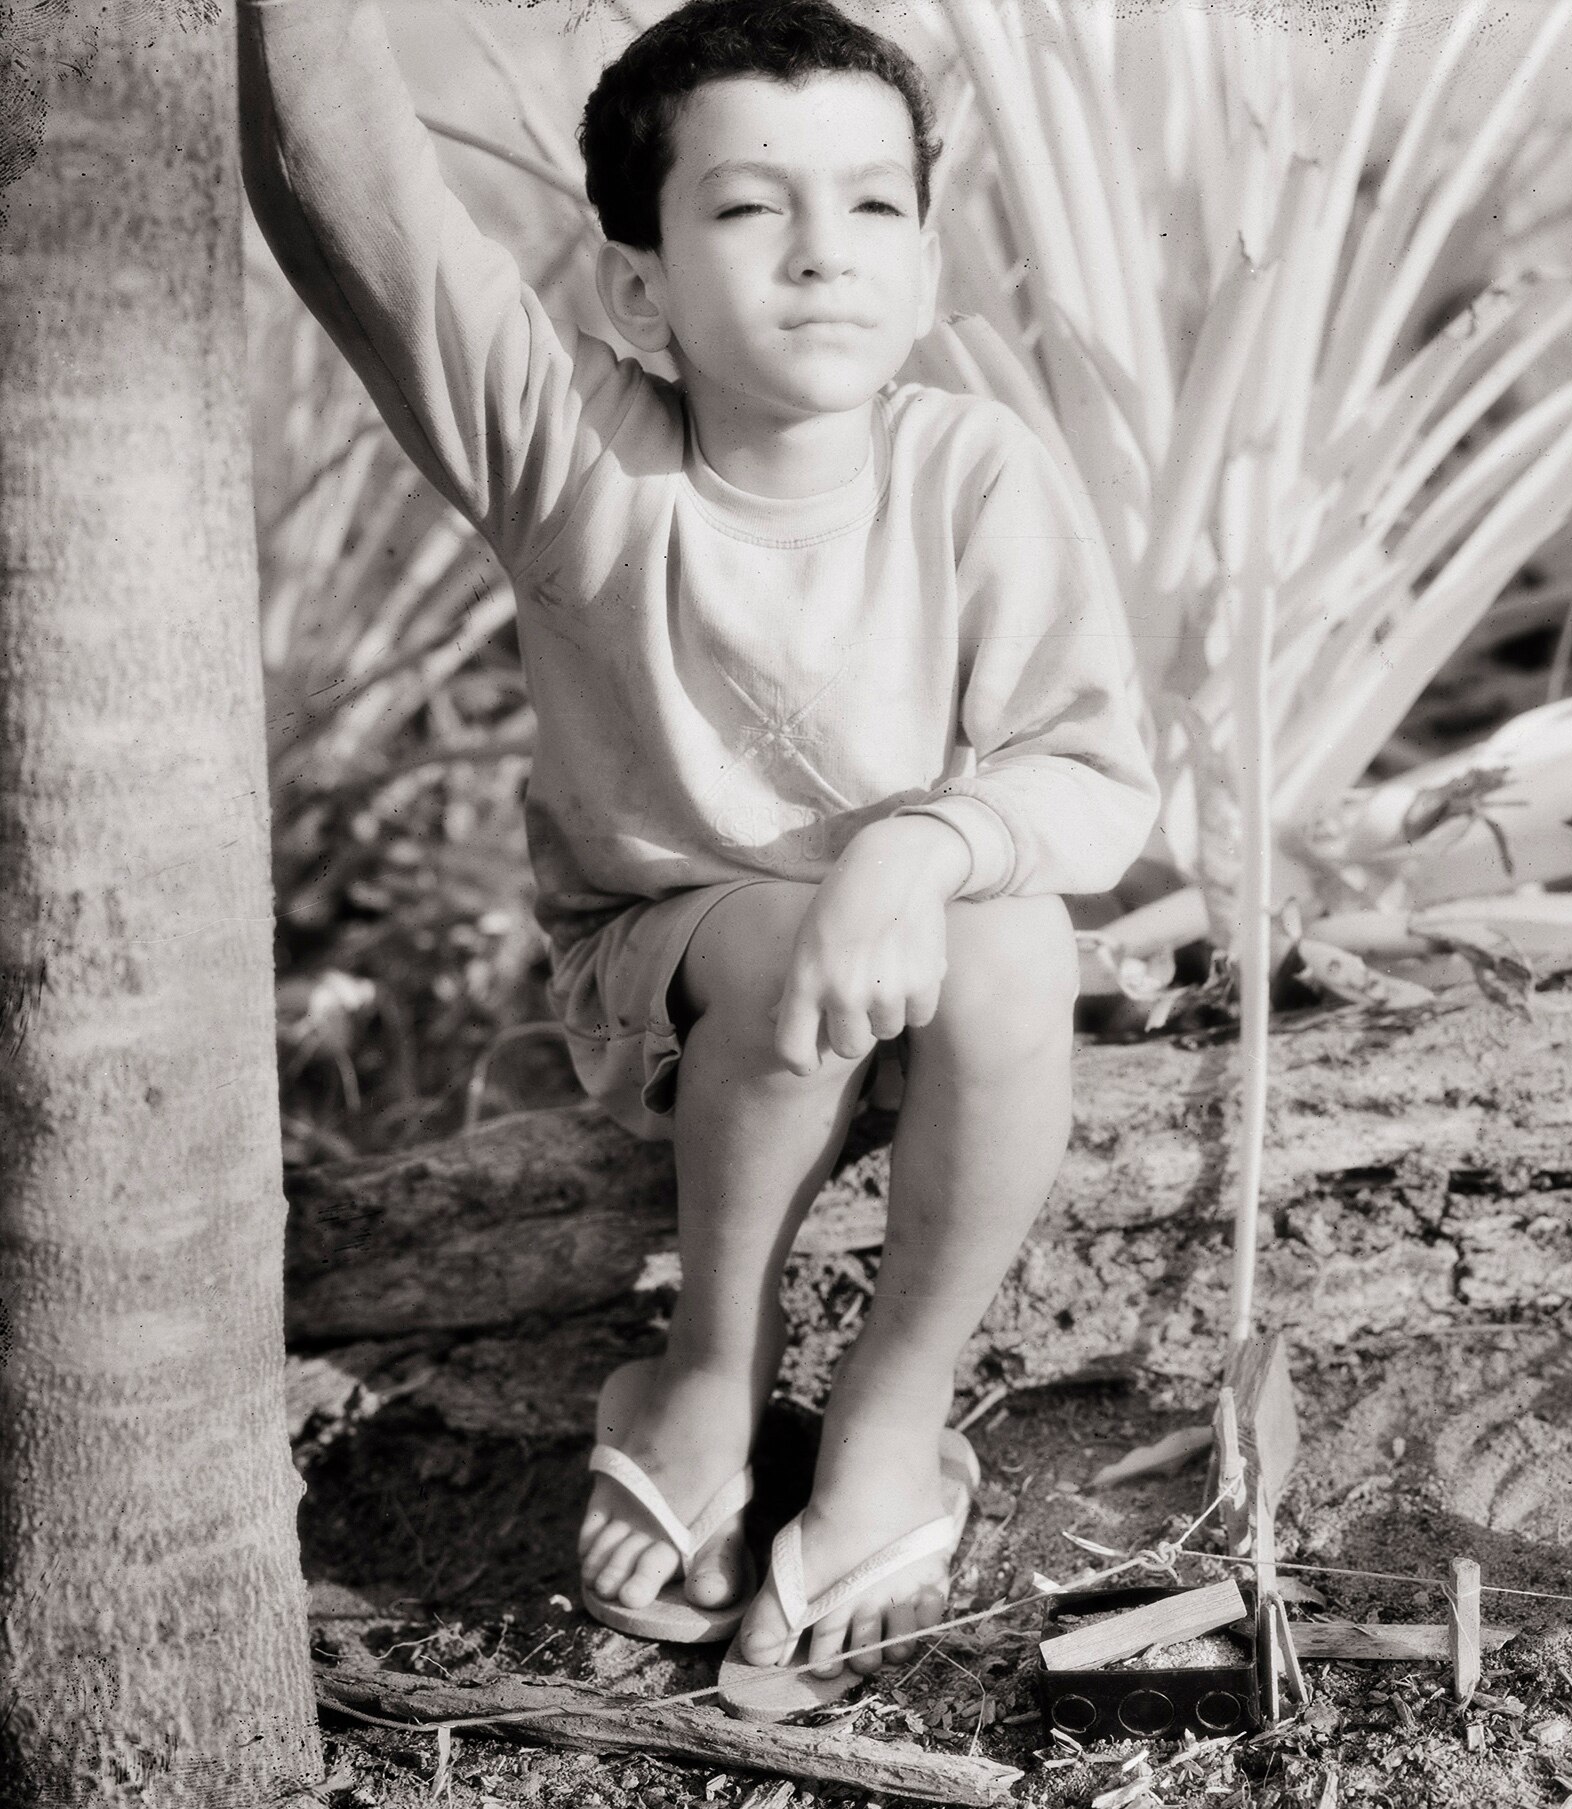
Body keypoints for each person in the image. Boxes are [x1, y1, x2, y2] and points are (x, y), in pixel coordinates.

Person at [240, 0, 1158, 1698]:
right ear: (637, 288)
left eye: (872, 204)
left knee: (1013, 929)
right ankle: (705, 1374)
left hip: (922, 969)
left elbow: (1092, 774)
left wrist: (919, 853)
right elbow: (354, 203)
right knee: (779, 925)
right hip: (675, 968)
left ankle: (889, 1416)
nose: (824, 255)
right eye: (749, 208)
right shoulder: (579, 457)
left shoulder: (971, 468)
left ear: (931, 256)